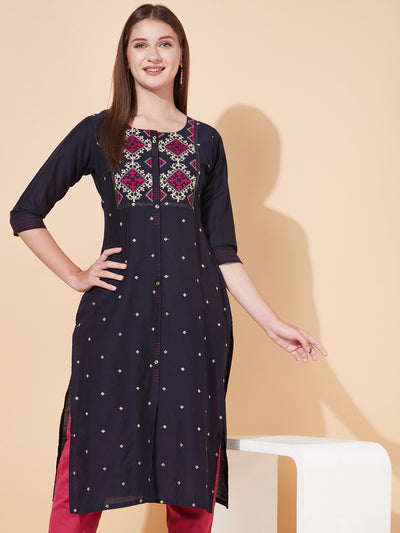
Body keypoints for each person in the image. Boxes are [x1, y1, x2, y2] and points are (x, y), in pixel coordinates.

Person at [10, 4, 327, 533]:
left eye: (164, 43)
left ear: (181, 57)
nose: (152, 54)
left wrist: (274, 325)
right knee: (84, 463)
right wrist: (75, 275)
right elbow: (26, 213)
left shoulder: (206, 143)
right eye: (140, 44)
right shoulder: (98, 133)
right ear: (125, 57)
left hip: (193, 324)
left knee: (191, 472)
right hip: (114, 322)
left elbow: (223, 250)